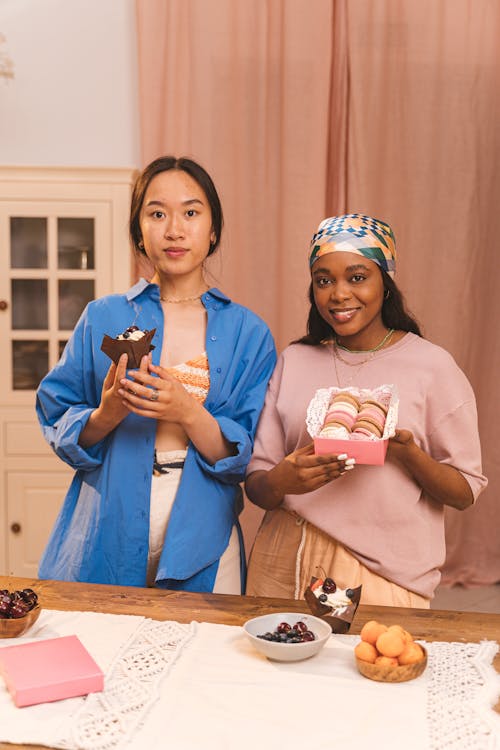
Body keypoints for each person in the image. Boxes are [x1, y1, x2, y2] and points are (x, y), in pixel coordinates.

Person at [36, 155, 276, 593]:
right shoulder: (102, 316)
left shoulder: (249, 332)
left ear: (213, 229)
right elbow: (56, 415)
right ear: (139, 232)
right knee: (102, 648)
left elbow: (245, 453)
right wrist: (106, 414)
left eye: (191, 212)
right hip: (108, 520)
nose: (174, 229)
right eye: (157, 213)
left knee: (201, 653)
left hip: (203, 527)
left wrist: (187, 412)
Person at [245, 213, 487, 607]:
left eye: (357, 277)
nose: (339, 294)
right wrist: (281, 481)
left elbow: (463, 492)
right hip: (282, 561)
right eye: (324, 280)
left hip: (382, 575)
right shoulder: (295, 359)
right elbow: (257, 481)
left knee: (373, 666)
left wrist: (407, 455)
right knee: (270, 667)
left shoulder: (432, 366)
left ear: (385, 285)